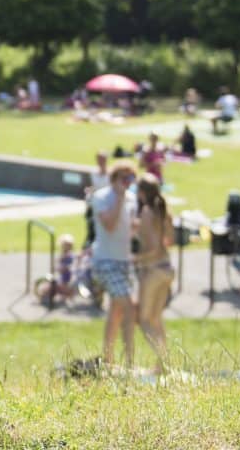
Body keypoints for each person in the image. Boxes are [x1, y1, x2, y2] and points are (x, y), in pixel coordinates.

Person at [90, 160, 137, 367]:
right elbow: (109, 225)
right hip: (105, 261)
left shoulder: (132, 199)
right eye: (124, 178)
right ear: (114, 179)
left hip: (123, 261)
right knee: (128, 308)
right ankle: (129, 362)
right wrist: (118, 198)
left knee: (116, 311)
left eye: (130, 179)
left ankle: (107, 359)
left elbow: (131, 229)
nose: (127, 183)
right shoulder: (101, 197)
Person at [133, 173, 174, 372]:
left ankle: (163, 362)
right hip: (167, 269)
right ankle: (163, 364)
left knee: (144, 320)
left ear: (141, 193)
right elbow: (169, 241)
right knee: (156, 319)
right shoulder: (164, 211)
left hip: (153, 270)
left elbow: (153, 249)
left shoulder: (148, 212)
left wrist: (134, 259)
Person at [84, 150, 111, 248]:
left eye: (103, 159)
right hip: (94, 203)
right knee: (91, 228)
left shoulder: (111, 175)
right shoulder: (93, 174)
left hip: (106, 206)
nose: (101, 161)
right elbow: (91, 187)